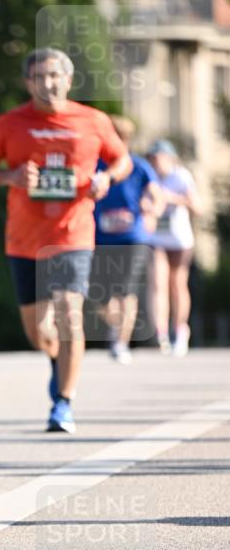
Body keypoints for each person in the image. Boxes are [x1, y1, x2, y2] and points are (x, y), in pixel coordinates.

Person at [0, 47, 131, 434]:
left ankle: (64, 401)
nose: (48, 83)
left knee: (68, 313)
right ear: (28, 82)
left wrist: (106, 179)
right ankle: (58, 364)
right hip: (25, 240)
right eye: (40, 77)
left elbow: (122, 159)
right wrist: (9, 178)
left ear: (69, 79)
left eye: (55, 76)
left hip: (73, 233)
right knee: (38, 332)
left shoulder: (92, 120)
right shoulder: (11, 124)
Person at [91, 116, 161, 364]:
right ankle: (116, 325)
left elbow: (157, 196)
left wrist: (151, 209)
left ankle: (120, 342)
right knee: (98, 296)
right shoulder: (97, 166)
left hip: (133, 238)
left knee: (125, 291)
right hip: (100, 237)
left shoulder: (140, 166)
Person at [147, 139, 201, 357]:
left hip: (179, 239)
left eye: (156, 157)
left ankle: (180, 330)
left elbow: (198, 207)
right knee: (158, 285)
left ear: (168, 157)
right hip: (157, 238)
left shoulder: (181, 176)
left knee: (177, 284)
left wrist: (170, 198)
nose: (153, 162)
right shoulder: (149, 177)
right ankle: (161, 333)